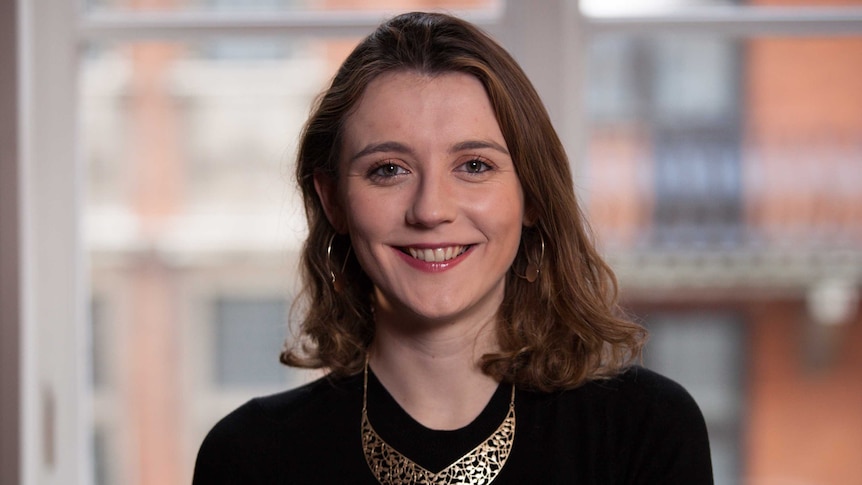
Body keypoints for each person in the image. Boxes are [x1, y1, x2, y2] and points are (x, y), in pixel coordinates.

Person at [193, 11, 713, 484]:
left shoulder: (646, 428)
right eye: (388, 170)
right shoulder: (248, 455)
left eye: (474, 166)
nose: (431, 210)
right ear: (333, 201)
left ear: (531, 194)